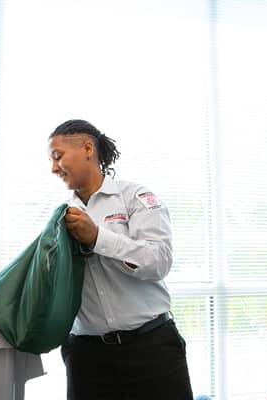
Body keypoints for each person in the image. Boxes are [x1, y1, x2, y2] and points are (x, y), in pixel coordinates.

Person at [48, 119, 193, 400]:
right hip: (86, 358)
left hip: (151, 349)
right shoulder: (61, 216)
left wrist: (97, 238)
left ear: (88, 148)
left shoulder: (136, 198)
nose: (53, 168)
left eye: (58, 156)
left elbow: (158, 261)